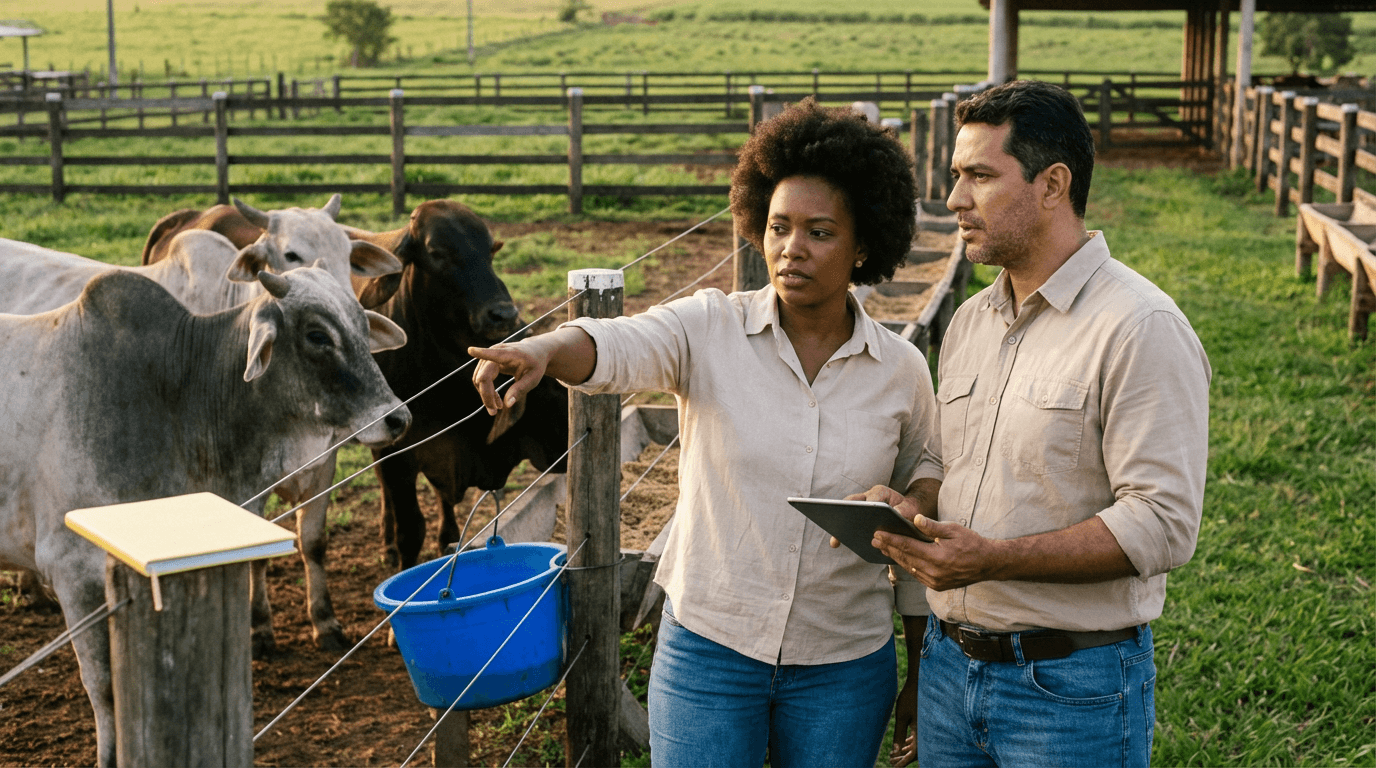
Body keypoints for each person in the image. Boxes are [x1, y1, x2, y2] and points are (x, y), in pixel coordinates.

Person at [469, 98, 940, 768]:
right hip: (710, 652)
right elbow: (615, 343)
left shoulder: (902, 372)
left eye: (819, 232)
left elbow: (924, 499)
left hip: (844, 664)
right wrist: (544, 351)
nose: (791, 248)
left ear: (864, 243)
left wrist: (918, 661)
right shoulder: (708, 328)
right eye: (778, 227)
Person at [864, 79, 1212, 767]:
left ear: (1053, 184)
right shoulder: (971, 321)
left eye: (979, 177)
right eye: (956, 177)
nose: (956, 200)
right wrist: (915, 507)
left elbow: (1164, 522)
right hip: (946, 669)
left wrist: (992, 559)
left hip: (1068, 688)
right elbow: (947, 460)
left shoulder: (1140, 327)